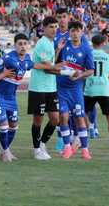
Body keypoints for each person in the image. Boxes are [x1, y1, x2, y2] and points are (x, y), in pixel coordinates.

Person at [0, 33, 58, 162]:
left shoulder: (27, 59)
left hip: (11, 97)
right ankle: (5, 152)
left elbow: (36, 65)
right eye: (20, 44)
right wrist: (1, 75)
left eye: (25, 44)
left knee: (14, 125)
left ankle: (5, 149)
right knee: (4, 125)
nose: (23, 46)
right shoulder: (8, 57)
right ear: (15, 45)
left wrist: (54, 67)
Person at [55, 21, 94, 160]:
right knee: (64, 117)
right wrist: (58, 49)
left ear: (81, 32)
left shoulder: (86, 50)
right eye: (72, 30)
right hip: (62, 88)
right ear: (69, 32)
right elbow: (53, 64)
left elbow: (90, 70)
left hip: (76, 89)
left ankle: (85, 150)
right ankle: (67, 148)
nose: (75, 33)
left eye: (77, 30)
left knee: (79, 118)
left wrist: (80, 75)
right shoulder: (63, 45)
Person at [27, 16, 62, 161]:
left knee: (55, 119)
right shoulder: (42, 43)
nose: (54, 29)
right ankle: (36, 150)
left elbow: (51, 63)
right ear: (44, 28)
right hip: (38, 87)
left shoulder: (51, 42)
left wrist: (58, 51)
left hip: (50, 87)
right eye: (51, 27)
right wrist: (66, 71)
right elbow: (48, 68)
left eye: (56, 27)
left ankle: (42, 144)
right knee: (38, 120)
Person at [84, 35, 109, 150]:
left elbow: (84, 71)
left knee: (82, 113)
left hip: (90, 89)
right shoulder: (108, 57)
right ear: (103, 43)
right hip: (104, 90)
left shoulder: (88, 55)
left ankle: (89, 131)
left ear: (92, 43)